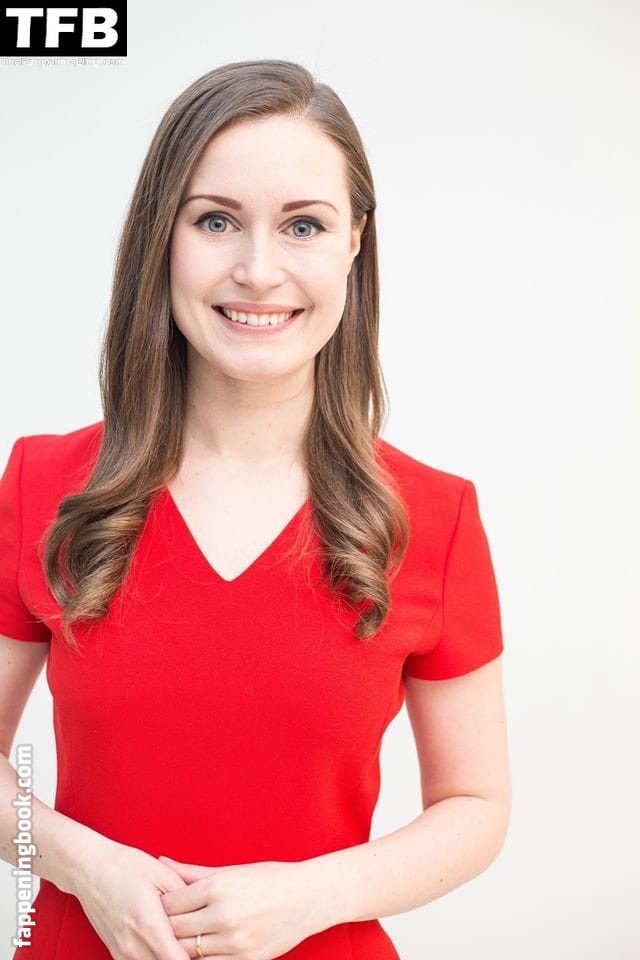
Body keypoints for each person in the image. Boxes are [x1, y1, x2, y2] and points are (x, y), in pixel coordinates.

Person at [0, 59, 510, 960]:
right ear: (162, 236)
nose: (258, 270)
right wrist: (84, 867)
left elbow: (475, 806)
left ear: (354, 242)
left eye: (303, 225)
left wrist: (311, 896)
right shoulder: (44, 485)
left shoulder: (437, 517)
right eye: (215, 221)